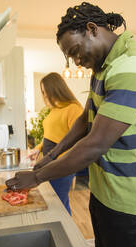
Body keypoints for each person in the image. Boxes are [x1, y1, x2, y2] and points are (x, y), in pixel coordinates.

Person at [6, 2, 136, 247]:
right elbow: (85, 119)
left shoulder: (133, 64)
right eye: (71, 57)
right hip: (104, 190)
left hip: (130, 199)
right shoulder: (103, 68)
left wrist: (37, 177)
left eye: (76, 51)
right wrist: (51, 155)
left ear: (92, 29)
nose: (77, 61)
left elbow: (96, 144)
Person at [28, 72, 83, 214]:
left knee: (59, 204)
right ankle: (67, 233)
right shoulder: (54, 110)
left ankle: (67, 234)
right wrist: (38, 148)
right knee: (58, 202)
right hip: (50, 163)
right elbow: (51, 135)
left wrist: (61, 160)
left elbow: (78, 140)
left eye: (45, 91)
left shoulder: (73, 109)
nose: (44, 94)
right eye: (42, 91)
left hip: (62, 165)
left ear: (55, 89)